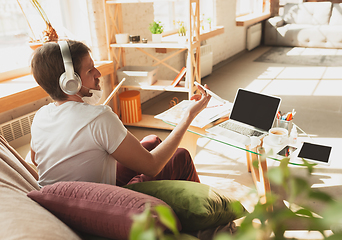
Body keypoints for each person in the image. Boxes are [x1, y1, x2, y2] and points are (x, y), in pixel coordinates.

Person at [30, 40, 211, 188]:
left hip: (69, 199)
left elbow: (36, 160)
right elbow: (152, 166)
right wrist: (188, 116)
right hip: (103, 202)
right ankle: (209, 222)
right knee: (181, 157)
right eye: (90, 70)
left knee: (151, 141)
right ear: (70, 83)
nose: (98, 73)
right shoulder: (99, 118)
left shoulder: (40, 116)